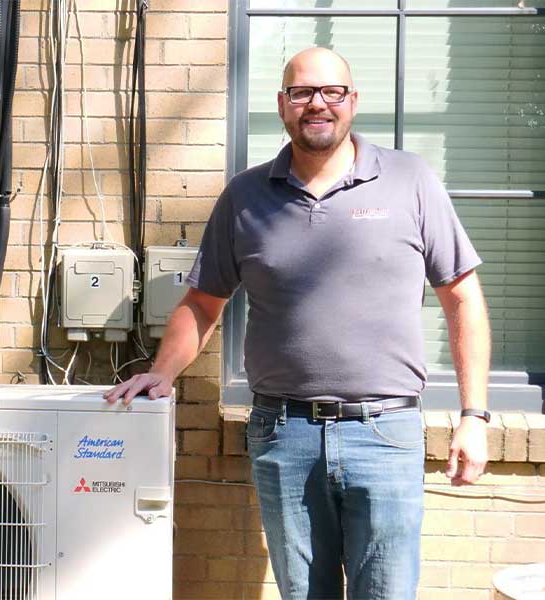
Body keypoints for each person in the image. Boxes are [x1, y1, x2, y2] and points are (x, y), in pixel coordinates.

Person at [104, 47, 490, 599]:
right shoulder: (245, 196)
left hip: (384, 432)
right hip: (284, 434)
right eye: (302, 92)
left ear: (352, 101)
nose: (318, 104)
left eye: (332, 92)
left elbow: (462, 299)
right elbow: (203, 302)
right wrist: (163, 372)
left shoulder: (411, 181)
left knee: (386, 593)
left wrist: (474, 415)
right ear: (282, 104)